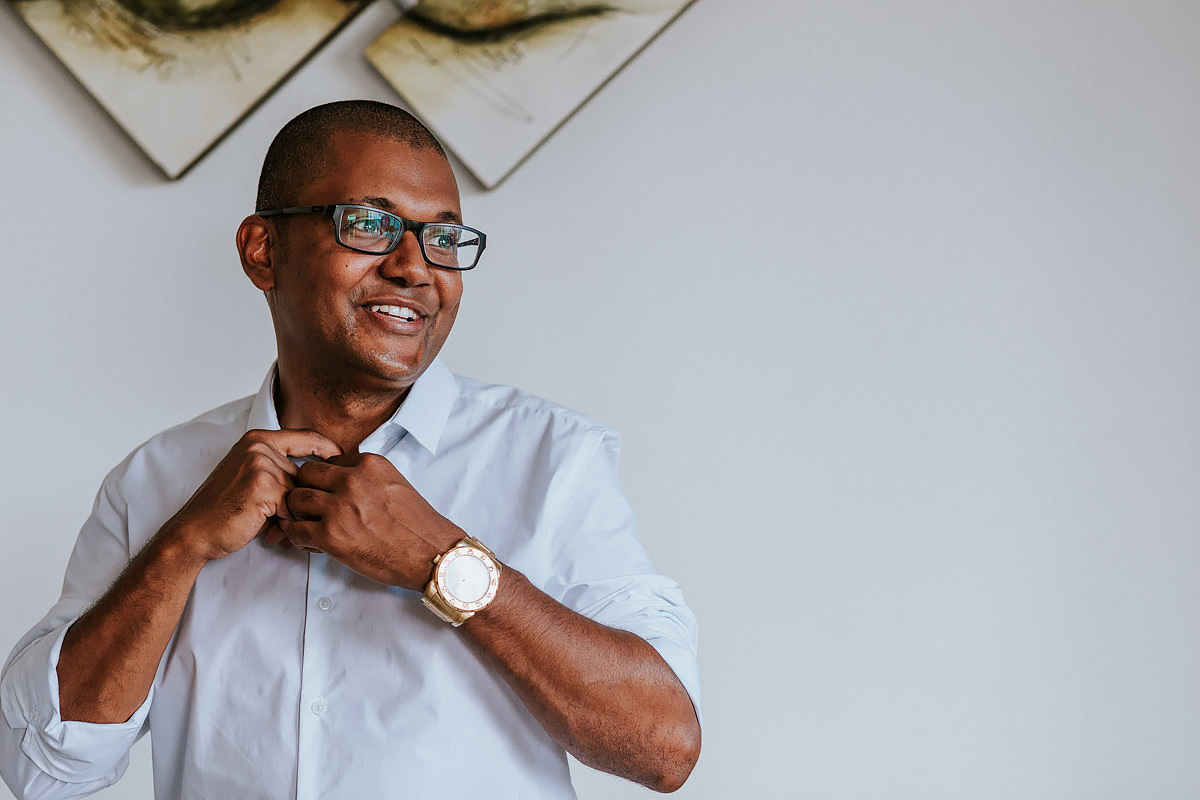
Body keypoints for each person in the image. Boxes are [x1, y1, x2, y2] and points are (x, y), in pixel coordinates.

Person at [0, 100, 701, 799]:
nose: (415, 268)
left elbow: (663, 747)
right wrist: (181, 546)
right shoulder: (156, 480)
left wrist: (440, 560)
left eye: (443, 238)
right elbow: (38, 771)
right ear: (262, 250)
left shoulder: (554, 459)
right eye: (369, 224)